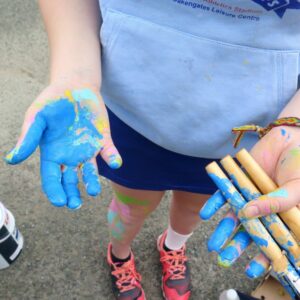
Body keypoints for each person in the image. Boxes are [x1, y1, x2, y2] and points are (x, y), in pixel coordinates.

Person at [5, 0, 300, 299]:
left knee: (194, 208)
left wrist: (296, 124)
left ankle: (172, 246)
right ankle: (119, 255)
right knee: (131, 207)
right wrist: (74, 72)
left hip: (237, 132)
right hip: (132, 113)